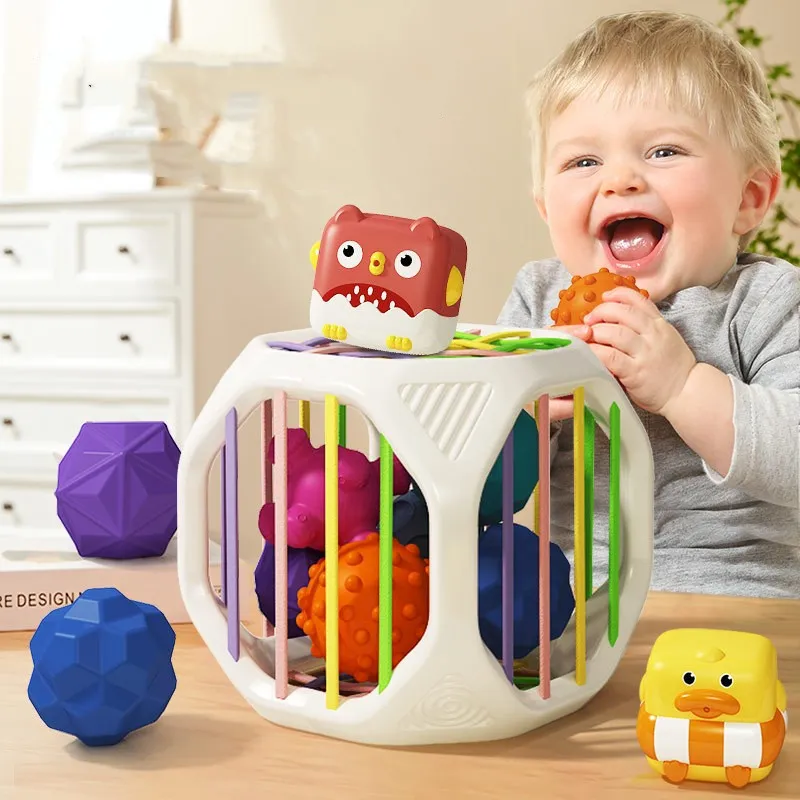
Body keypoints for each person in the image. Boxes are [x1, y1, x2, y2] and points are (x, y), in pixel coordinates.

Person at [497, 10, 800, 597]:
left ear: (749, 198)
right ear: (546, 207)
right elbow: (477, 484)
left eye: (664, 151)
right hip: (576, 603)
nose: (620, 180)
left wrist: (682, 388)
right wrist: (524, 412)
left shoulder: (768, 302)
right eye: (584, 162)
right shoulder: (537, 302)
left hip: (737, 598)